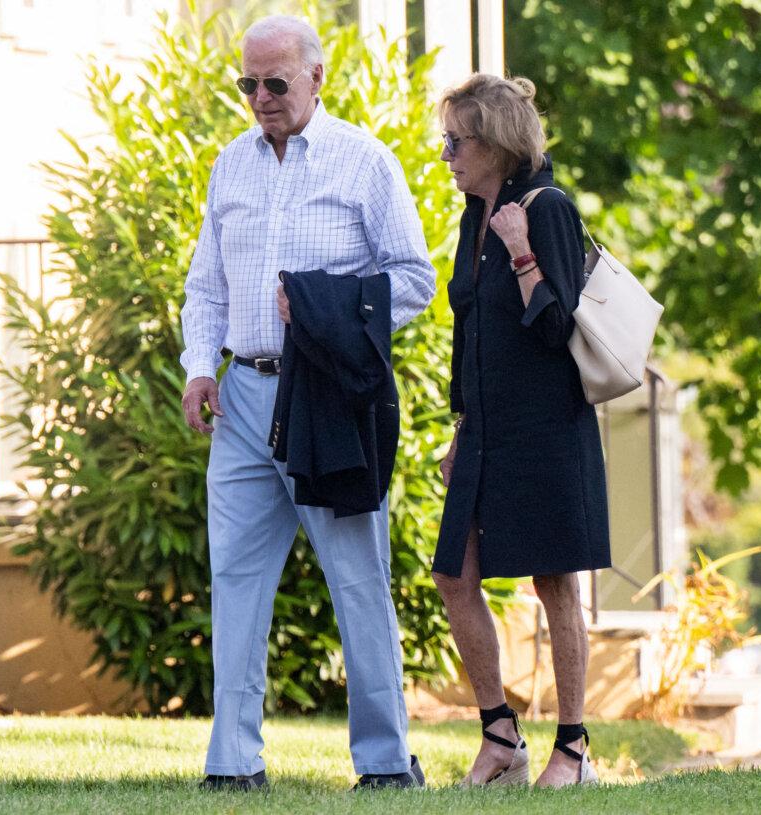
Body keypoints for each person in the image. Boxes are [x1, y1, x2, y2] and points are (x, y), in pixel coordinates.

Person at [179, 14, 436, 791]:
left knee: (357, 576)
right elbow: (204, 286)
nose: (260, 97)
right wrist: (200, 366)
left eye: (275, 83)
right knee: (236, 579)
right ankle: (233, 762)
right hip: (245, 399)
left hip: (328, 399)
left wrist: (327, 310)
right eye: (247, 84)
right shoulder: (231, 165)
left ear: (316, 78)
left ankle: (387, 762)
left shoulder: (365, 162)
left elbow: (415, 278)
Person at [432, 73, 611, 789]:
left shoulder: (548, 209)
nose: (447, 154)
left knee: (554, 580)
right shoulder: (474, 218)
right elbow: (467, 328)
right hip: (484, 430)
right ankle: (500, 735)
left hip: (545, 429)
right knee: (454, 573)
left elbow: (558, 330)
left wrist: (523, 251)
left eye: (457, 141)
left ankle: (573, 747)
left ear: (498, 143)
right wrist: (459, 429)